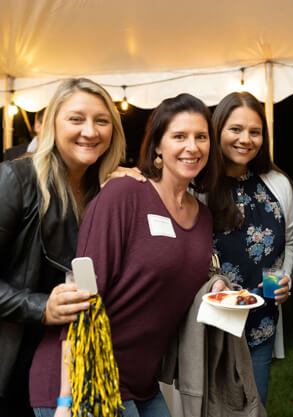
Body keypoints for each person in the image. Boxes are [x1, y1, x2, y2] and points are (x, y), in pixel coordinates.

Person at [29, 93, 221, 417]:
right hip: (87, 381)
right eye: (179, 136)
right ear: (157, 146)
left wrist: (212, 287)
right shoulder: (125, 194)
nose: (193, 147)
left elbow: (174, 282)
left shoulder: (202, 216)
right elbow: (85, 294)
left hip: (141, 383)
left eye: (201, 137)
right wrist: (67, 400)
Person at [0, 78, 125, 416]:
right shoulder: (15, 180)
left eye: (102, 121)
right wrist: (41, 307)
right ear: (53, 121)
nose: (91, 131)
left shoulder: (107, 190)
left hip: (73, 360)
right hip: (14, 358)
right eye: (76, 119)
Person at [207, 91, 293, 404]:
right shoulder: (196, 185)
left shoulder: (277, 183)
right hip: (209, 324)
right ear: (217, 130)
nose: (246, 139)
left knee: (252, 406)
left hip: (261, 324)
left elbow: (290, 239)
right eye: (235, 129)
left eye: (255, 132)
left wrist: (284, 278)